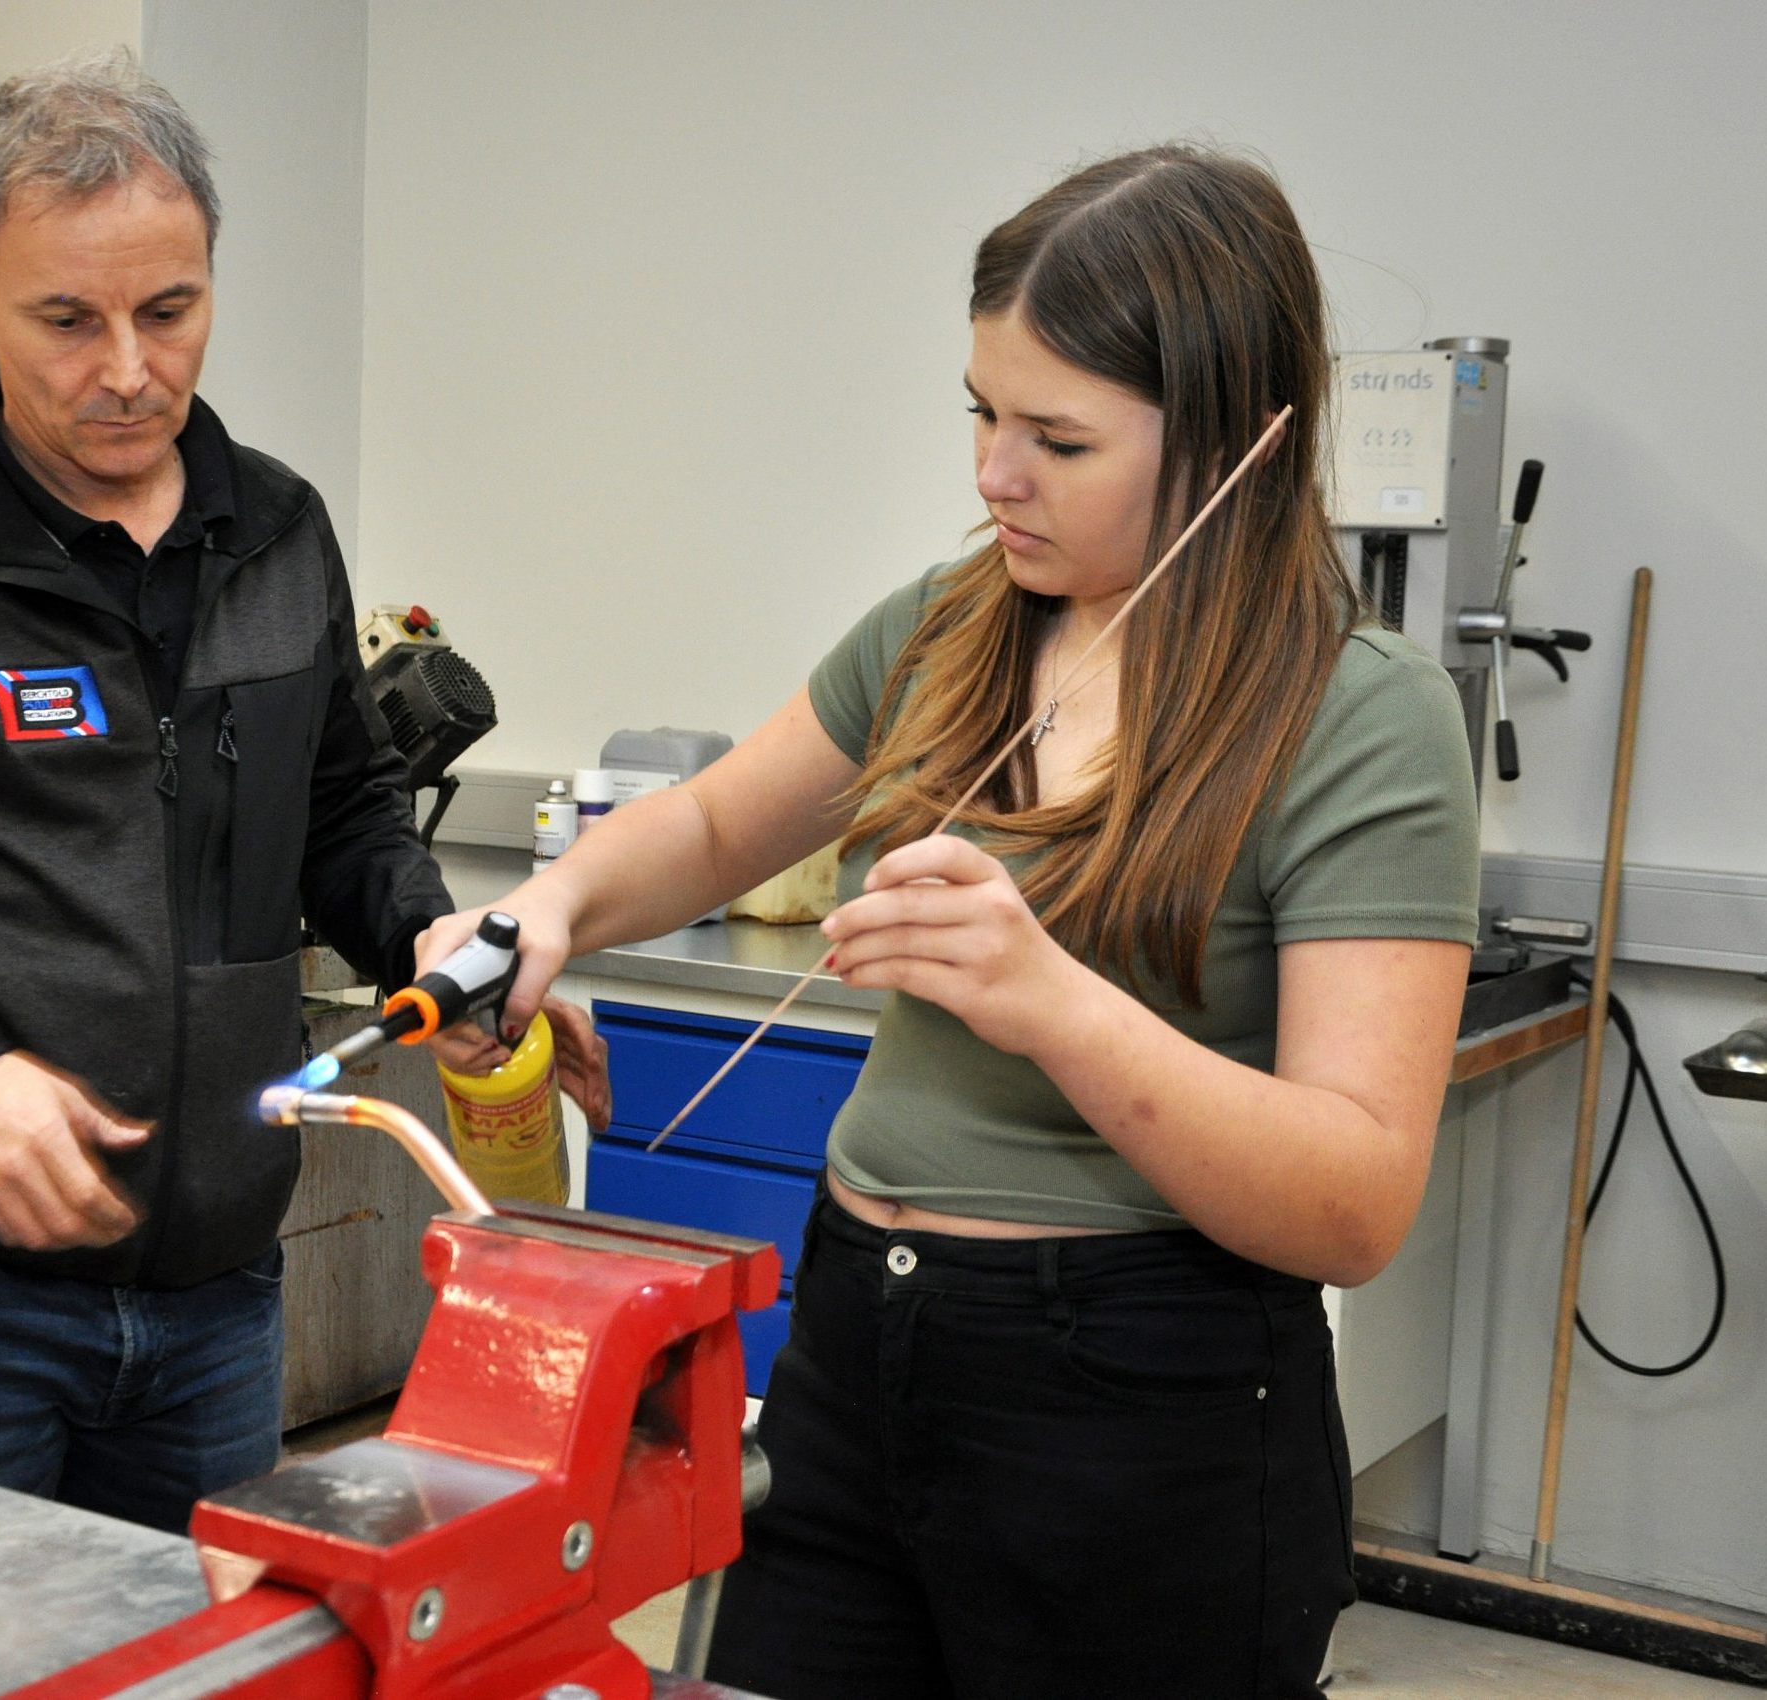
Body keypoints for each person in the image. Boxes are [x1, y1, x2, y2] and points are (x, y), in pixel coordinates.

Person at [420, 145, 1480, 1698]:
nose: (994, 475)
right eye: (981, 415)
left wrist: (1047, 996)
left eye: (1057, 437)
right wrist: (549, 903)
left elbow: (1351, 1203)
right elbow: (720, 822)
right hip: (859, 1347)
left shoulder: (1358, 715)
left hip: (1138, 1410)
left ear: (1241, 444)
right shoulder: (953, 619)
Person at [0, 49, 602, 1533]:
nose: (128, 369)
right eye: (65, 319)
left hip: (221, 1299)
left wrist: (429, 940)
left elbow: (344, 816)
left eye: (169, 312)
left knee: (190, 1671)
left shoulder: (279, 532)